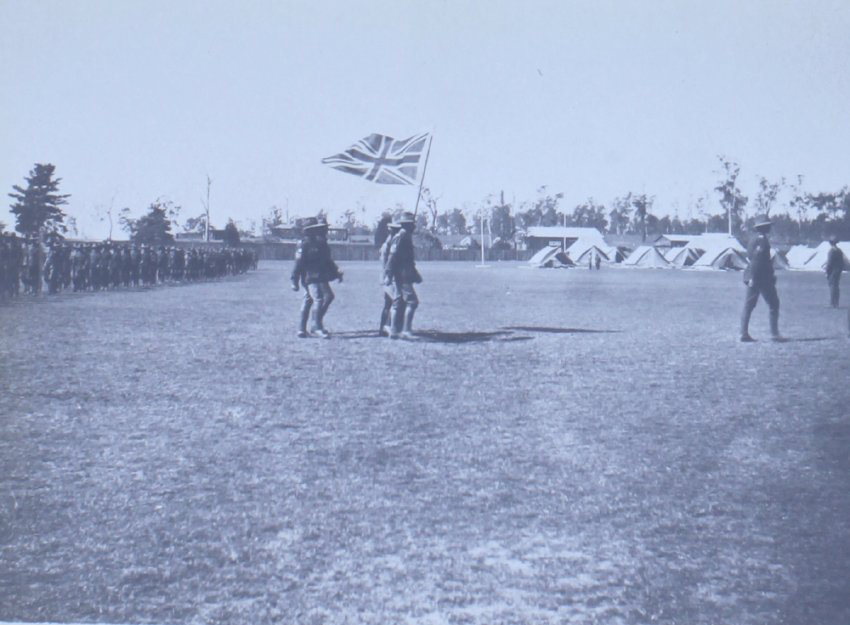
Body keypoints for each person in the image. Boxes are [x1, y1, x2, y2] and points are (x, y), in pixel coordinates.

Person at [291, 217, 343, 338]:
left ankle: (303, 328)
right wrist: (294, 280)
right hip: (309, 277)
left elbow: (327, 261)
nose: (314, 231)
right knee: (318, 299)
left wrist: (336, 272)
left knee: (310, 299)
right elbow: (298, 263)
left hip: (319, 276)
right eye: (310, 229)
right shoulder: (303, 244)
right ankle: (316, 326)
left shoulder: (320, 243)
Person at [740, 214, 782, 342]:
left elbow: (751, 258)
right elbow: (757, 260)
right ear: (763, 227)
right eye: (768, 226)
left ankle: (743, 333)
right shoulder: (762, 240)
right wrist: (754, 277)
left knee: (749, 305)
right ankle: (774, 334)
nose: (770, 227)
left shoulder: (753, 239)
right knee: (774, 304)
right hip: (760, 277)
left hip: (756, 276)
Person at [385, 211, 422, 339]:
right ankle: (406, 330)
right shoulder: (401, 237)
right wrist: (388, 274)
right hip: (402, 275)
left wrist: (415, 274)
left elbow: (408, 260)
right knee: (412, 302)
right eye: (412, 224)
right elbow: (392, 257)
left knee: (399, 301)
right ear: (407, 225)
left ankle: (393, 330)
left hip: (404, 274)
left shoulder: (405, 236)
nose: (414, 227)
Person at [378, 220, 404, 336]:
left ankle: (384, 328)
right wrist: (387, 276)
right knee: (395, 302)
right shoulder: (388, 245)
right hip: (388, 278)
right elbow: (386, 263)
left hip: (388, 277)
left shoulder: (389, 243)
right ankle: (389, 327)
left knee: (389, 303)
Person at [825, 236, 844, 308]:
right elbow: (842, 262)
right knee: (836, 287)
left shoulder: (831, 251)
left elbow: (829, 263)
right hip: (838, 271)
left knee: (832, 287)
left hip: (832, 272)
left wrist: (827, 272)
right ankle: (836, 303)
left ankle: (832, 303)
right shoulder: (839, 251)